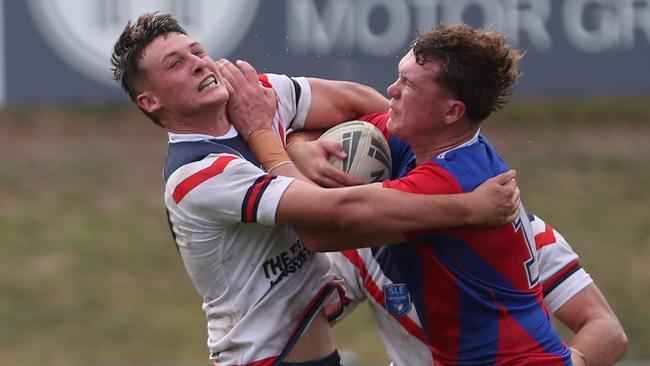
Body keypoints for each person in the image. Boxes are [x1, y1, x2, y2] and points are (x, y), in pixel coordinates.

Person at [110, 13, 520, 366]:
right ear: (150, 101)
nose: (198, 65)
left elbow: (363, 105)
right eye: (175, 65)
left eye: (197, 52)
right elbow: (328, 220)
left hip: (317, 345)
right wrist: (467, 209)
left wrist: (296, 145)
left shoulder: (254, 97)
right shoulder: (199, 175)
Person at [223, 24, 620, 365]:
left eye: (409, 84)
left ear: (451, 112)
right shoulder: (418, 143)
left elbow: (319, 231)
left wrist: (262, 133)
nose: (392, 90)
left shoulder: (456, 180)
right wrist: (301, 148)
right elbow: (350, 106)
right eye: (399, 75)